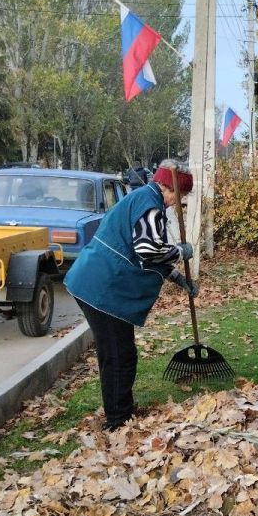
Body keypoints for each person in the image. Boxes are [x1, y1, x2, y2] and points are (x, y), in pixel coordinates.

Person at [65, 162, 199, 431]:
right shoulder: (149, 204)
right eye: (179, 196)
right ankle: (117, 421)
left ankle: (121, 410)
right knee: (118, 355)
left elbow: (143, 252)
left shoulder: (144, 199)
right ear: (168, 187)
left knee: (119, 353)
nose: (177, 203)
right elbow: (148, 250)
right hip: (103, 287)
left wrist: (177, 278)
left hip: (100, 284)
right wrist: (180, 252)